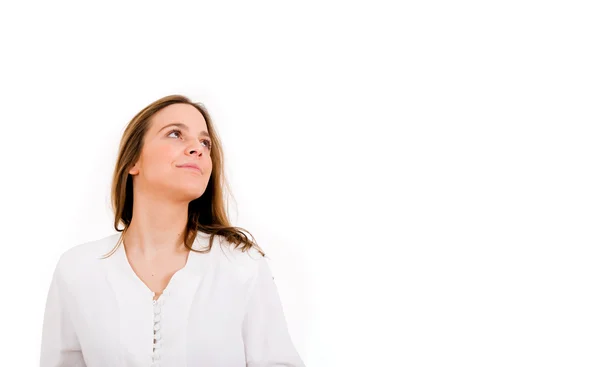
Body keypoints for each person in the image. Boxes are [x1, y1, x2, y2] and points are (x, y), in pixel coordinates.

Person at [40, 95, 305, 367]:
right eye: (175, 134)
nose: (197, 149)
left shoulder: (241, 265)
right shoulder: (77, 269)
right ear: (133, 161)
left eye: (205, 142)